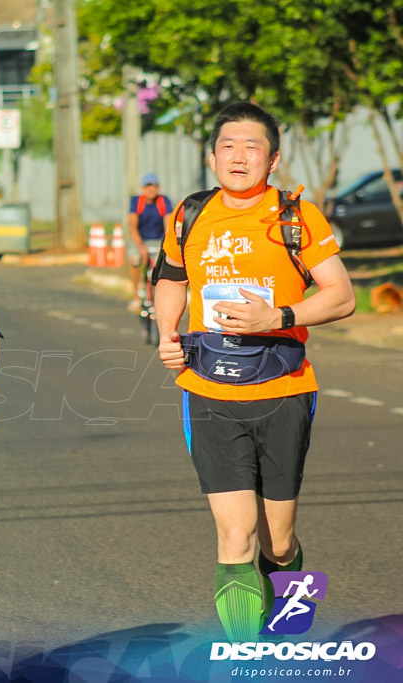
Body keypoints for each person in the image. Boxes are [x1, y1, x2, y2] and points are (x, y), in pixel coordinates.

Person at [153, 102, 355, 642]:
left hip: (283, 390)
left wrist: (279, 317)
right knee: (235, 534)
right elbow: (171, 277)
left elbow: (341, 296)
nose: (238, 156)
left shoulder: (295, 217)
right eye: (228, 146)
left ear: (273, 159)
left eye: (252, 147)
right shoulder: (189, 215)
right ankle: (246, 653)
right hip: (209, 390)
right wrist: (168, 333)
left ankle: (292, 623)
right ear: (211, 155)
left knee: (278, 542)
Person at [127, 173, 173, 311]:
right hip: (141, 239)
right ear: (142, 188)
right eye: (148, 186)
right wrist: (140, 247)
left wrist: (165, 246)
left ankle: (164, 299)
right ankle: (135, 296)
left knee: (168, 264)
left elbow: (168, 225)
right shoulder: (136, 201)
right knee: (134, 260)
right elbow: (132, 226)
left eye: (154, 186)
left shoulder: (164, 201)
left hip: (159, 240)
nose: (151, 189)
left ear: (158, 188)